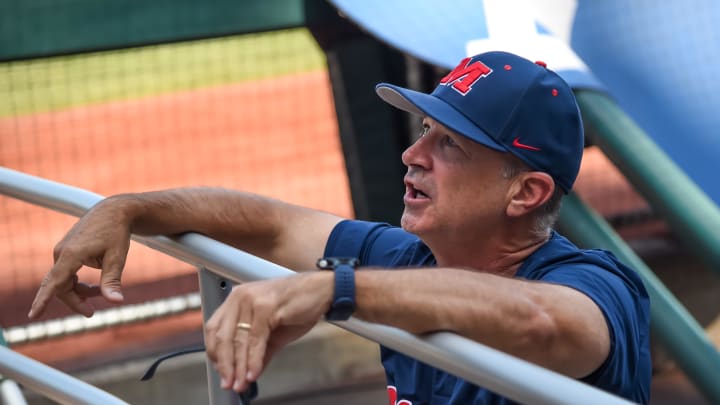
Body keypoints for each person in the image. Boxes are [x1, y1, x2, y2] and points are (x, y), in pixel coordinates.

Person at [28, 51, 651, 404]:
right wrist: (128, 209)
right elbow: (270, 226)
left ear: (527, 193)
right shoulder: (409, 257)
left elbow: (541, 321)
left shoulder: (598, 287)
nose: (413, 155)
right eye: (422, 132)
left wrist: (336, 289)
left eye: (451, 145)